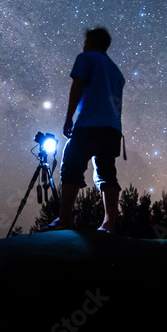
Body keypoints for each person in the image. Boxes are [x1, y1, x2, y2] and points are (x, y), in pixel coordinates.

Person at [43, 27, 126, 232]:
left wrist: (68, 118)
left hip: (89, 124)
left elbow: (77, 86)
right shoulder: (116, 72)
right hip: (113, 129)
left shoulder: (85, 58)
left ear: (91, 42)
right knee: (107, 172)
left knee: (71, 166)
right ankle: (109, 224)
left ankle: (64, 219)